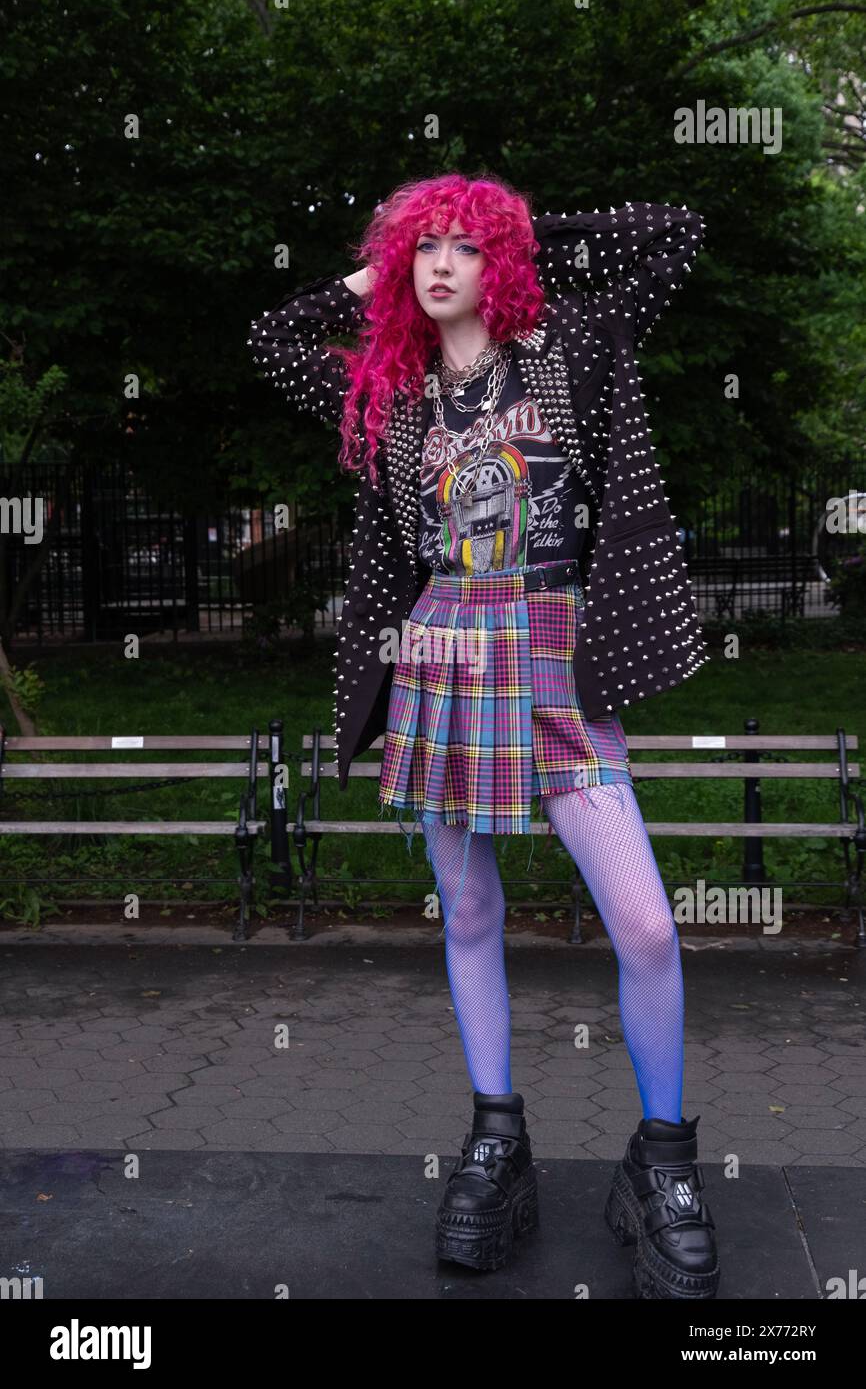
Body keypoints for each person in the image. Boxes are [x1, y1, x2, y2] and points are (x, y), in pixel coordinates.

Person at [248, 172, 718, 1299]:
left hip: (555, 641)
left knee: (648, 927)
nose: (442, 263)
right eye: (426, 248)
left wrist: (516, 227)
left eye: (466, 247)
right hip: (442, 644)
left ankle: (661, 1163)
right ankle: (495, 1138)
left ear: (498, 264)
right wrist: (372, 265)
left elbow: (673, 232)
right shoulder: (391, 390)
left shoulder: (564, 355)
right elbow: (270, 337)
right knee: (466, 908)